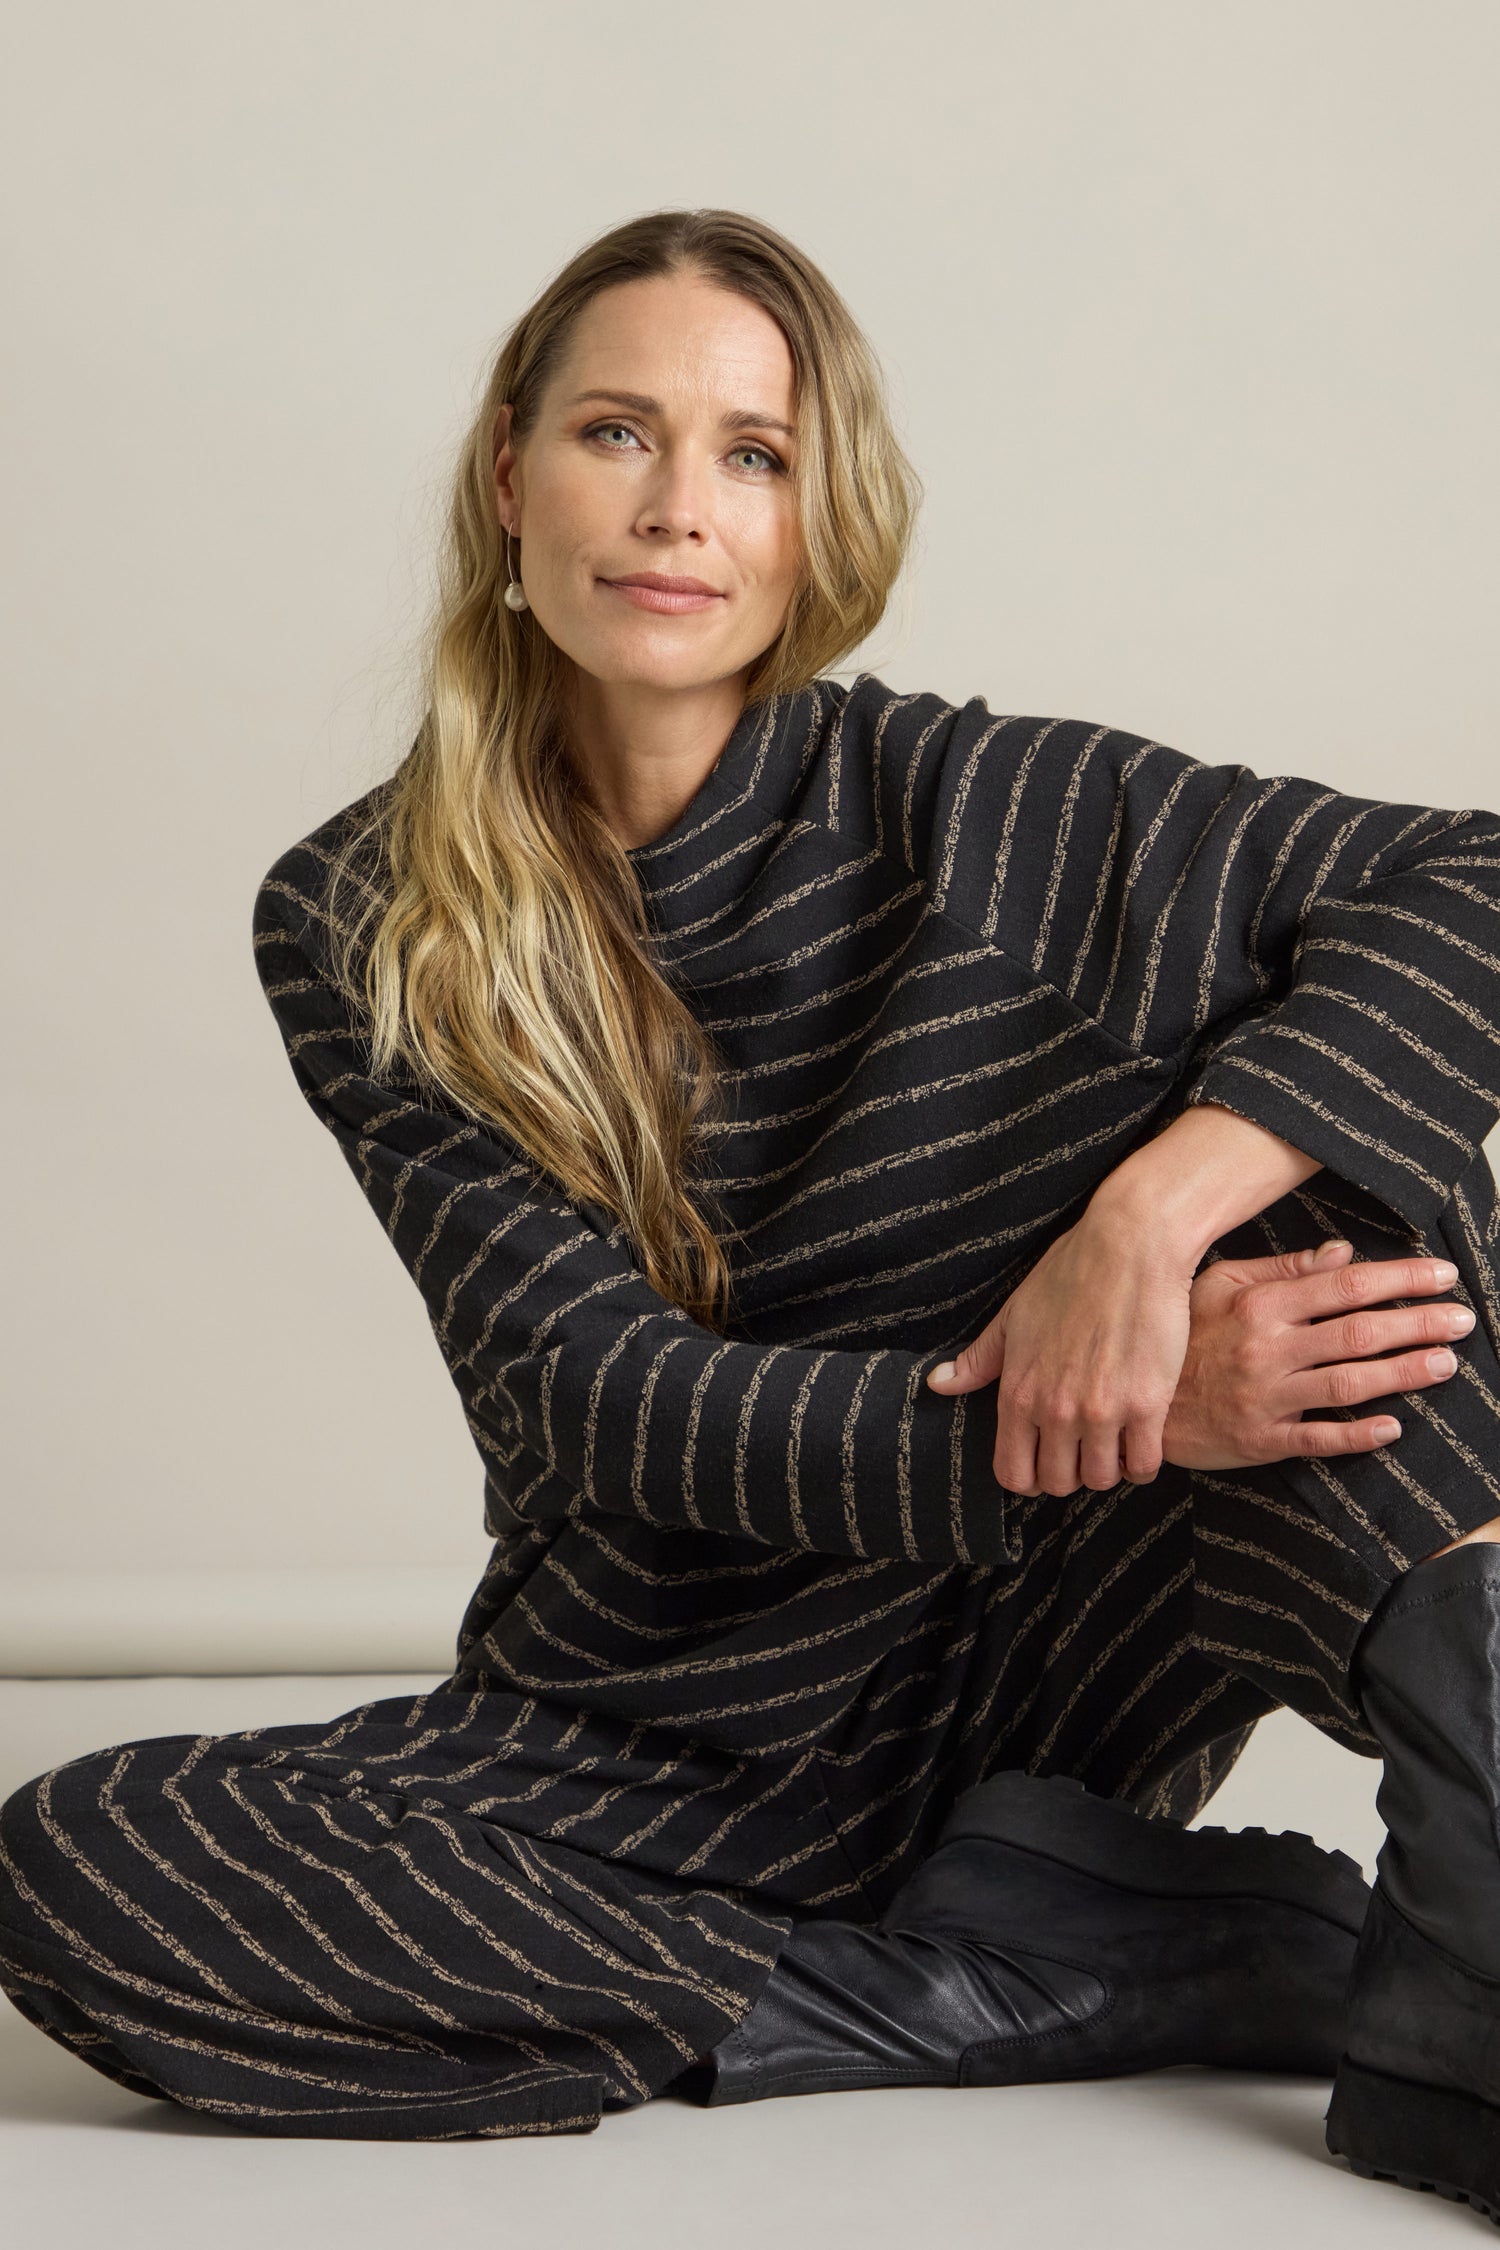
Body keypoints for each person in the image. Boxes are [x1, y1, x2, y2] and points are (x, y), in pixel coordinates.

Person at [2, 208, 1498, 2216]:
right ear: (508, 476)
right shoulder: (371, 915)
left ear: (816, 518)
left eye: (753, 454)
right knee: (83, 1870)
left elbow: (1472, 887)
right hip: (662, 1718)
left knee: (1324, 1238)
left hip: (1051, 1682)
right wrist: (1124, 1414)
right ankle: (1029, 1975)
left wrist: (1148, 1227)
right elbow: (594, 1393)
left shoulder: (978, 813)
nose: (677, 509)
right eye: (618, 433)